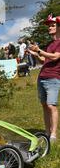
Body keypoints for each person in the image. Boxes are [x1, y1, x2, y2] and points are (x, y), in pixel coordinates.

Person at [29, 15, 60, 144]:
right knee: (44, 106)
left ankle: (53, 135)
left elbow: (54, 57)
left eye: (52, 25)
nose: (49, 27)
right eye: (49, 25)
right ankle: (47, 132)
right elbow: (44, 60)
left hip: (53, 78)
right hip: (42, 77)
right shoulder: (49, 44)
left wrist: (40, 51)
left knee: (51, 105)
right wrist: (35, 54)